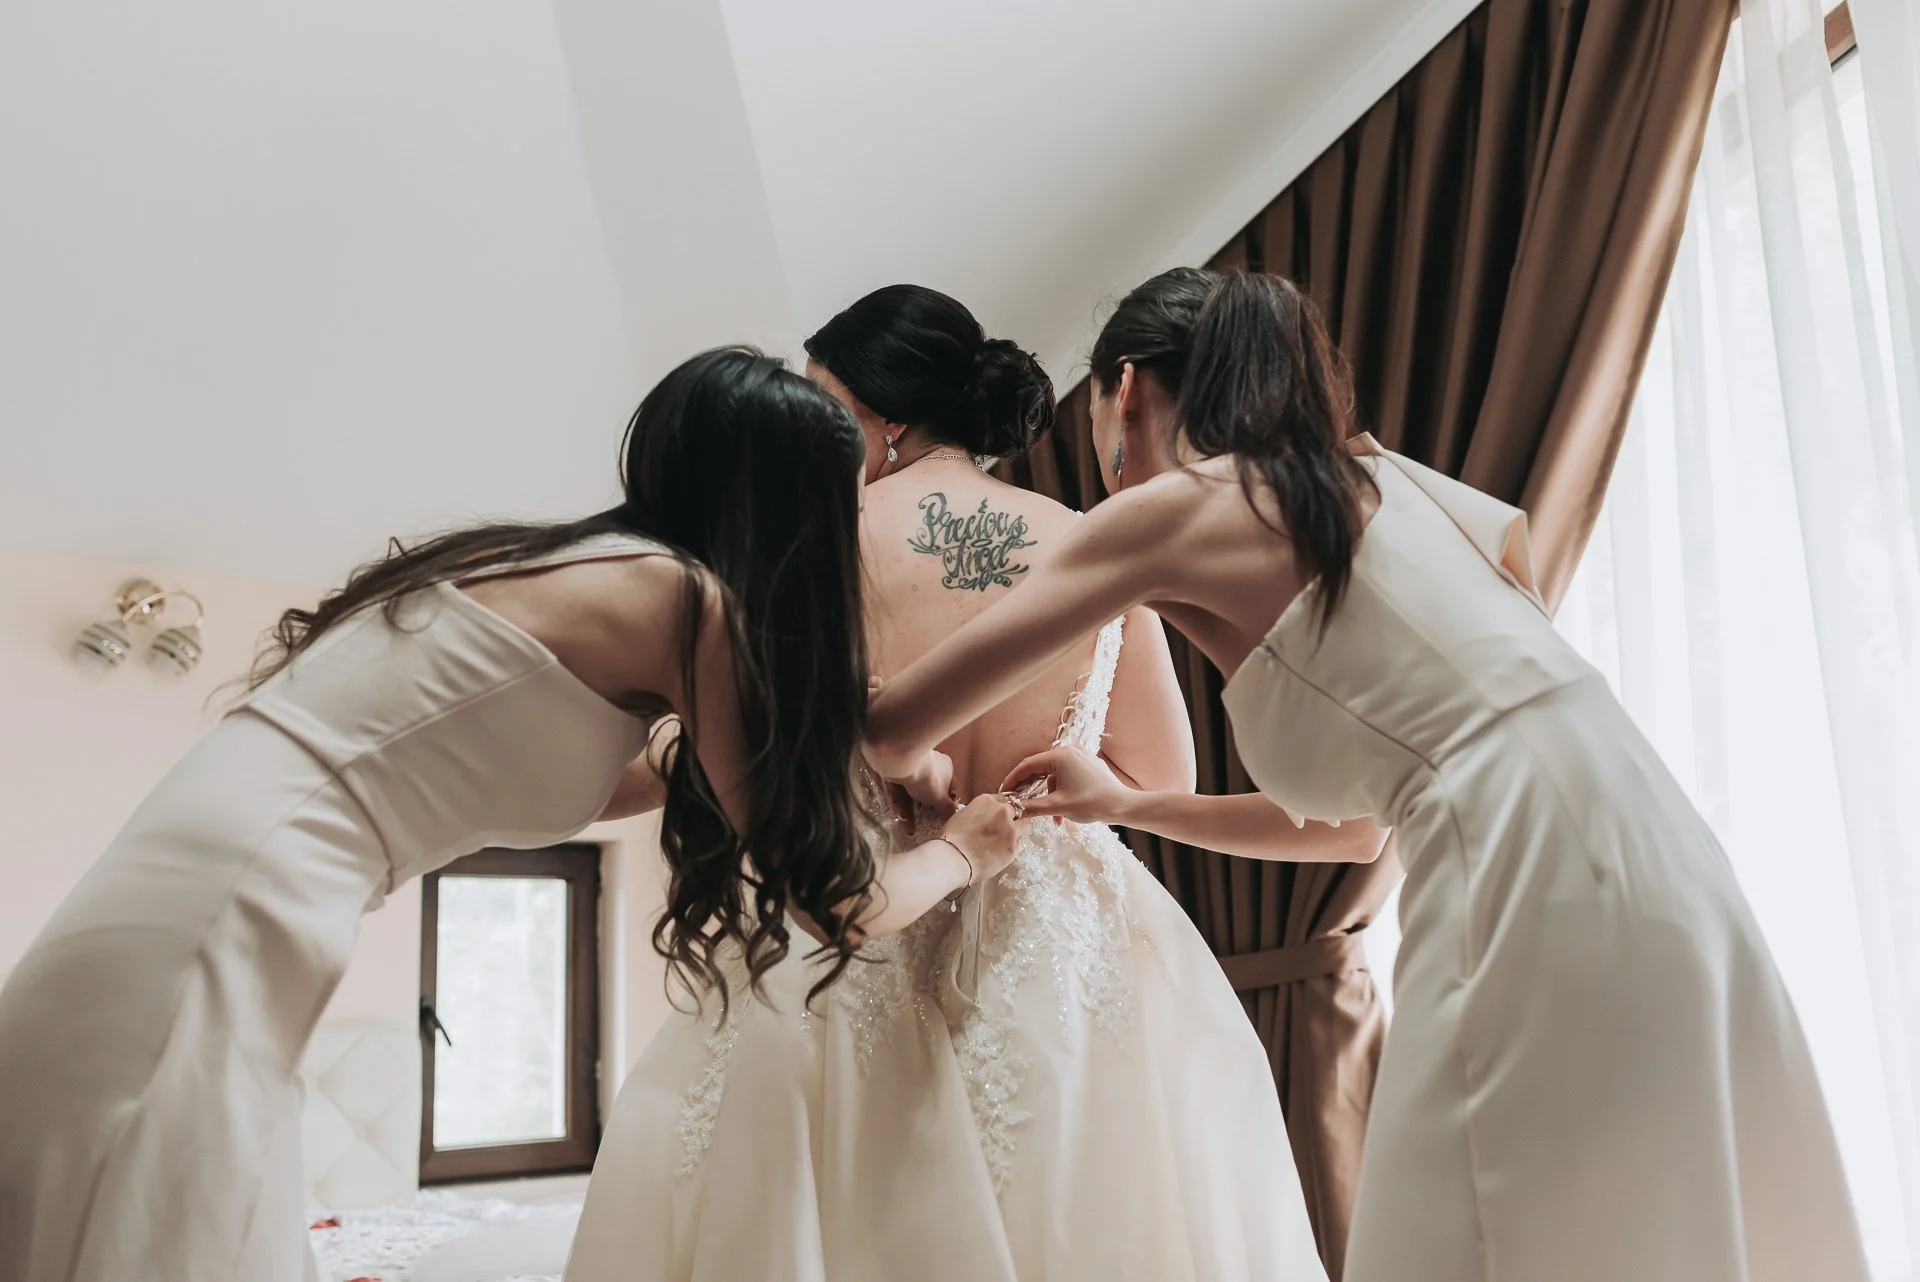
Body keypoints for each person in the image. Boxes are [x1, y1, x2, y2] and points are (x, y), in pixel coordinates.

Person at [867, 269, 1871, 1282]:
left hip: (1522, 865)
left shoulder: (1170, 509)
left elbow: (892, 724)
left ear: (1125, 390)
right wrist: (1129, 802)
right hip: (1654, 851)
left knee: (1473, 1224)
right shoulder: (1381, 482)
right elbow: (1354, 831)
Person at [0, 346, 1019, 1282]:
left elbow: (548, 780)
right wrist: (967, 853)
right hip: (222, 916)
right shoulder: (683, 600)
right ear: (787, 513)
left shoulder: (559, 566)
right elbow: (832, 901)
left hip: (190, 889)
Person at [564, 285, 1365, 1282]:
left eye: (824, 405)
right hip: (1061, 945)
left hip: (847, 916)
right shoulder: (1095, 540)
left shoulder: (802, 547)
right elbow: (1162, 774)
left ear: (883, 414)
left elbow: (746, 743)